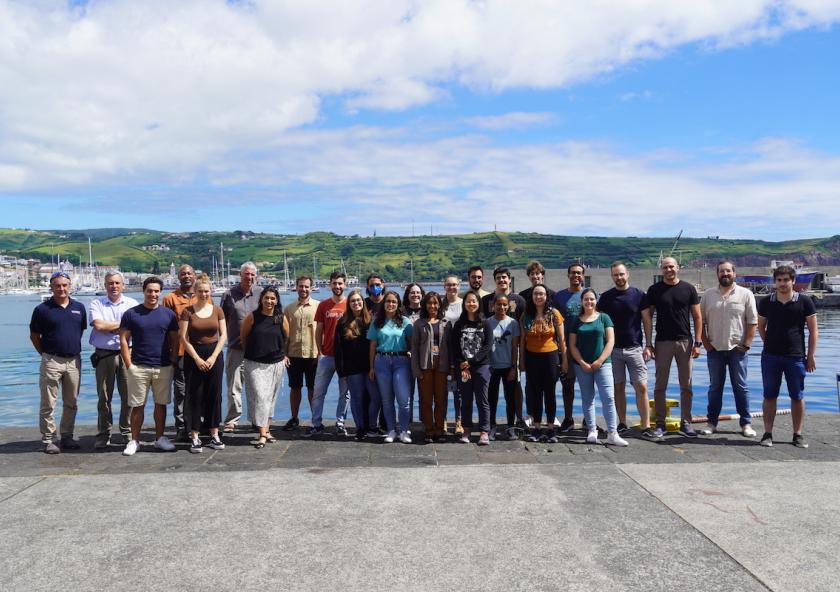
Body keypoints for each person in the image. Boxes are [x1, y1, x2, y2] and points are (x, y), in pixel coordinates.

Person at [757, 265, 818, 448]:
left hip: (796, 356)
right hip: (770, 357)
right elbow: (760, 326)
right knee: (769, 396)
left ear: (793, 281)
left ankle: (797, 434)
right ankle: (768, 433)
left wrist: (810, 356)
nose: (783, 283)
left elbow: (813, 331)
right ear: (775, 282)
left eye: (786, 280)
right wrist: (769, 342)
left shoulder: (805, 302)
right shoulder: (766, 302)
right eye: (779, 280)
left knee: (797, 396)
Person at [120, 276, 180, 456]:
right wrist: (129, 364)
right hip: (139, 366)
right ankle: (134, 441)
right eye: (149, 291)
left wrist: (172, 360)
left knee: (161, 404)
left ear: (160, 293)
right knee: (137, 405)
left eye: (156, 291)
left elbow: (175, 339)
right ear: (143, 291)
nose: (152, 294)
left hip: (163, 366)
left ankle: (160, 438)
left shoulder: (168, 315)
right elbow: (123, 339)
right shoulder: (131, 314)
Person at [29, 271, 87, 454]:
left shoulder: (79, 307)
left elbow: (80, 330)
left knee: (72, 401)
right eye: (57, 285)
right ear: (51, 287)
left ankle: (67, 436)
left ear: (70, 286)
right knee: (48, 402)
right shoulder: (42, 309)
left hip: (74, 361)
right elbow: (34, 336)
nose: (61, 289)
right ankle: (48, 439)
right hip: (51, 359)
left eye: (64, 285)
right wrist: (45, 355)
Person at [700, 260, 758, 438]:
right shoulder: (708, 295)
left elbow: (752, 321)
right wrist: (705, 343)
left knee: (740, 387)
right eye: (721, 272)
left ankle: (746, 424)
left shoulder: (746, 294)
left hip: (737, 349)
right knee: (715, 387)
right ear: (717, 274)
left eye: (728, 271)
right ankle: (711, 423)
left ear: (734, 273)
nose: (725, 274)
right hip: (715, 349)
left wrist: (746, 344)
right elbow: (700, 322)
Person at [646, 257, 703, 439]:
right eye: (665, 267)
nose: (669, 270)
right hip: (662, 342)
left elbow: (697, 317)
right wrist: (648, 343)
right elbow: (647, 317)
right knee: (660, 385)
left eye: (671, 266)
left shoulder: (688, 289)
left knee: (686, 385)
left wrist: (698, 342)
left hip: (685, 342)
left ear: (678, 268)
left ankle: (686, 422)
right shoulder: (654, 290)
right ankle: (660, 424)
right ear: (661, 270)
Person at [596, 262, 654, 439]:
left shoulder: (639, 295)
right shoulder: (606, 297)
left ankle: (645, 426)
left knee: (641, 387)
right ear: (612, 276)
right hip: (613, 350)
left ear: (627, 274)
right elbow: (598, 320)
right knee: (618, 387)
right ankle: (622, 423)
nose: (619, 277)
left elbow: (646, 321)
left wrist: (649, 345)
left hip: (635, 348)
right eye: (615, 275)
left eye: (621, 274)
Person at [569, 289, 628, 446]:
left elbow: (610, 341)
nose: (589, 302)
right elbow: (572, 345)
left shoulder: (604, 318)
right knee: (588, 398)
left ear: (596, 301)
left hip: (603, 364)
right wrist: (581, 362)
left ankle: (612, 433)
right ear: (581, 301)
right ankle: (592, 430)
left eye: (592, 299)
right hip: (582, 366)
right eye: (586, 299)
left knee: (608, 397)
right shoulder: (576, 320)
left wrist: (600, 360)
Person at [88, 271, 138, 449]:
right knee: (104, 397)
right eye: (110, 283)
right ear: (105, 285)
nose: (114, 286)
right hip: (104, 355)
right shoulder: (96, 303)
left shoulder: (132, 304)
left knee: (129, 397)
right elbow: (99, 326)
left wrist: (115, 327)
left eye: (117, 283)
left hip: (127, 354)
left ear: (123, 285)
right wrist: (124, 325)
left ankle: (127, 432)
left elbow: (136, 327)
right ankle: (104, 434)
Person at [179, 275, 227, 453]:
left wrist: (214, 357)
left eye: (206, 291)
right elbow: (183, 338)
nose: (204, 294)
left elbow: (223, 335)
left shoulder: (218, 310)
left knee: (214, 395)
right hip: (194, 355)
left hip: (214, 354)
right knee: (194, 396)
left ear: (210, 291)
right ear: (195, 292)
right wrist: (197, 359)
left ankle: (214, 433)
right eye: (200, 291)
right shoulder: (188, 311)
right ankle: (195, 436)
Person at [241, 286, 289, 449]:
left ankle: (266, 429)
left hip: (276, 364)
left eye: (273, 298)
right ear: (261, 299)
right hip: (254, 364)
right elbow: (244, 337)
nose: (269, 301)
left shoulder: (281, 318)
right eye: (267, 298)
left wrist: (284, 356)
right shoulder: (253, 317)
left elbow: (286, 338)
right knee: (261, 397)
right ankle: (262, 433)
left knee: (271, 398)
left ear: (277, 301)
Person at [307, 271, 351, 437]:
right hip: (326, 356)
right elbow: (318, 330)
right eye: (334, 283)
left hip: (345, 359)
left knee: (344, 394)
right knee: (318, 392)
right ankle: (316, 423)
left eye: (340, 283)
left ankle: (340, 423)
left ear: (345, 285)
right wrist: (319, 351)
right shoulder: (323, 305)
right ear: (330, 284)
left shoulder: (350, 305)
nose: (337, 286)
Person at [520, 285, 566, 443]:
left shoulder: (554, 314)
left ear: (546, 296)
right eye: (535, 294)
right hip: (532, 357)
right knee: (536, 393)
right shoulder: (526, 315)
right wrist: (521, 361)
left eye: (541, 294)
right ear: (531, 296)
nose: (538, 297)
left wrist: (564, 361)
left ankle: (551, 429)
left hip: (551, 357)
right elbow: (521, 341)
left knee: (550, 392)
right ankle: (537, 428)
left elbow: (562, 340)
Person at [220, 262, 262, 432]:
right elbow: (221, 319)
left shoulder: (260, 293)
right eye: (247, 274)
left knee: (256, 387)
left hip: (256, 349)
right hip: (235, 348)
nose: (249, 277)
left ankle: (256, 419)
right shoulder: (228, 294)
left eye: (252, 275)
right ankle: (232, 419)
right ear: (240, 274)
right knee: (233, 387)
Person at [367, 290, 414, 443]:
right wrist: (371, 367)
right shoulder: (377, 321)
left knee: (403, 400)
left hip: (401, 361)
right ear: (384, 304)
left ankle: (404, 430)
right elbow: (373, 346)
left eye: (394, 302)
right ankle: (391, 430)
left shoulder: (406, 322)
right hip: (382, 362)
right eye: (388, 301)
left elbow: (412, 343)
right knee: (387, 400)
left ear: (398, 304)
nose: (391, 304)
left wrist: (412, 357)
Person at [334, 290, 380, 441]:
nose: (356, 303)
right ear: (349, 304)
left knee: (375, 397)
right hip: (352, 368)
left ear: (363, 302)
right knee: (357, 399)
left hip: (370, 367)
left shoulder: (371, 321)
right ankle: (360, 427)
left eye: (358, 300)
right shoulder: (342, 323)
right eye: (353, 301)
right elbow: (338, 349)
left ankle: (372, 425)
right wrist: (341, 372)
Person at [451, 290, 493, 445]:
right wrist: (462, 362)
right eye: (468, 301)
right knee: (466, 400)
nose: (471, 304)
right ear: (464, 304)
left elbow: (487, 346)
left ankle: (484, 432)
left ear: (478, 303)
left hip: (481, 366)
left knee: (482, 400)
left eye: (474, 301)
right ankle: (466, 431)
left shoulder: (485, 323)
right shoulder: (459, 324)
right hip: (463, 368)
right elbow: (455, 347)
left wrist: (472, 361)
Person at [553, 263, 590, 432]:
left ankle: (588, 419)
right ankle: (568, 419)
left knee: (588, 385)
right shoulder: (559, 296)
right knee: (568, 384)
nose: (576, 276)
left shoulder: (590, 295)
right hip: (566, 346)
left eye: (579, 273)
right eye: (573, 273)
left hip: (586, 346)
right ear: (568, 275)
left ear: (583, 276)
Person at [162, 264, 197, 442]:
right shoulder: (169, 299)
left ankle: (198, 426)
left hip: (200, 352)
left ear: (195, 276)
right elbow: (166, 328)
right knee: (181, 391)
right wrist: (171, 353)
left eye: (189, 273)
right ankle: (182, 428)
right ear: (179, 277)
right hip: (180, 352)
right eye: (183, 273)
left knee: (199, 390)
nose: (186, 276)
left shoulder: (203, 296)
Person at [411, 291, 451, 443]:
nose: (432, 306)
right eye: (429, 303)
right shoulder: (419, 324)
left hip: (442, 366)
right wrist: (416, 369)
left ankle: (440, 429)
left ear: (439, 304)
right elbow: (414, 348)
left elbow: (450, 346)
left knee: (441, 400)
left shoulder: (446, 323)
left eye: (435, 303)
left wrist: (452, 367)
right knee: (426, 400)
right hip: (425, 366)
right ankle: (429, 429)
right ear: (424, 305)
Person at [282, 276, 319, 432]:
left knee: (313, 389)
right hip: (294, 354)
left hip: (313, 354)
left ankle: (315, 419)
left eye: (306, 287)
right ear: (296, 287)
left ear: (311, 288)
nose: (303, 289)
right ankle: (294, 417)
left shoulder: (319, 306)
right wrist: (284, 354)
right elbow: (284, 334)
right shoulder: (289, 309)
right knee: (294, 387)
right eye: (301, 286)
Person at [487, 294, 520, 441]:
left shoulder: (513, 323)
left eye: (504, 304)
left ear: (508, 306)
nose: (501, 307)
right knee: (491, 398)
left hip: (508, 366)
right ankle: (491, 426)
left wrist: (514, 367)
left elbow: (515, 347)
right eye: (498, 304)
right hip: (492, 366)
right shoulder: (487, 323)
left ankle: (510, 427)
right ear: (493, 305)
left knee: (510, 398)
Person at [442, 275, 463, 434]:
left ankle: (458, 421)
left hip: (461, 351)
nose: (451, 288)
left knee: (459, 390)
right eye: (448, 285)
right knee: (442, 389)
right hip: (442, 350)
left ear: (459, 286)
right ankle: (442, 420)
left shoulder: (464, 303)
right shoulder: (440, 304)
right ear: (444, 287)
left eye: (454, 285)